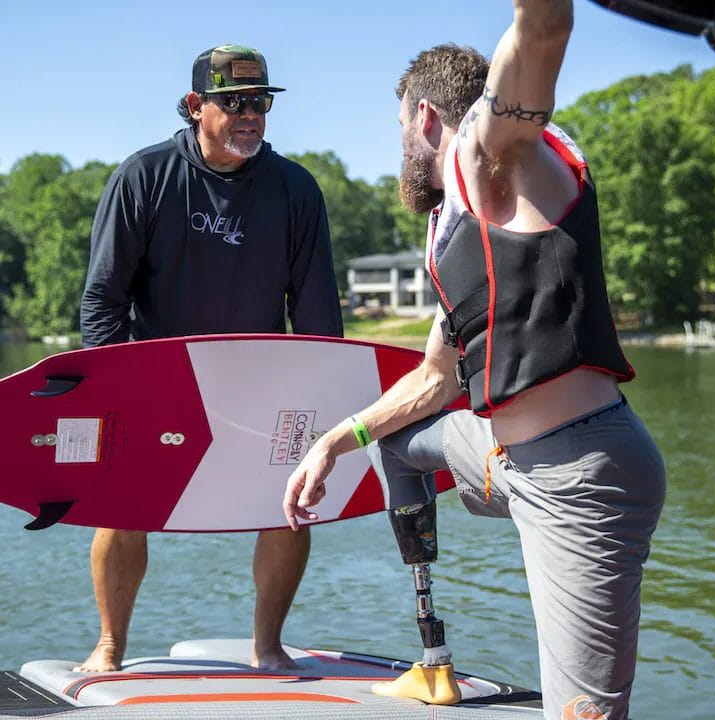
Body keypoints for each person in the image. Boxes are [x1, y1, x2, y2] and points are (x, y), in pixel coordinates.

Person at [283, 3, 665, 719]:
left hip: (581, 482)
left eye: (399, 128)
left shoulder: (494, 157)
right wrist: (334, 442)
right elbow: (434, 378)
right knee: (397, 444)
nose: (397, 143)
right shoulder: (455, 234)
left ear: (425, 117)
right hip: (502, 459)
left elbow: (545, 27)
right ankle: (433, 662)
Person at [80, 44, 343, 673]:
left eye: (260, 103)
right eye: (234, 103)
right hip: (156, 381)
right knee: (121, 506)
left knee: (293, 500)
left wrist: (320, 411)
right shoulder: (143, 177)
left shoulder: (295, 189)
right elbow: (102, 302)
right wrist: (124, 391)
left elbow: (316, 316)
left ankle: (268, 646)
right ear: (197, 106)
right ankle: (110, 646)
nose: (251, 115)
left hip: (259, 383)